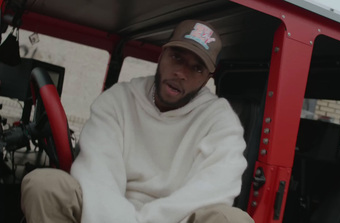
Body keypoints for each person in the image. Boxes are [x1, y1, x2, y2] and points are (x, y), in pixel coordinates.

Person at [21, 20, 253, 223]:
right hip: (106, 210)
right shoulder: (119, 99)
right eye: (177, 58)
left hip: (177, 219)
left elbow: (214, 188)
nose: (181, 73)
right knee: (44, 185)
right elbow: (99, 173)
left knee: (233, 220)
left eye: (196, 68)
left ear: (207, 80)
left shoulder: (220, 120)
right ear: (162, 55)